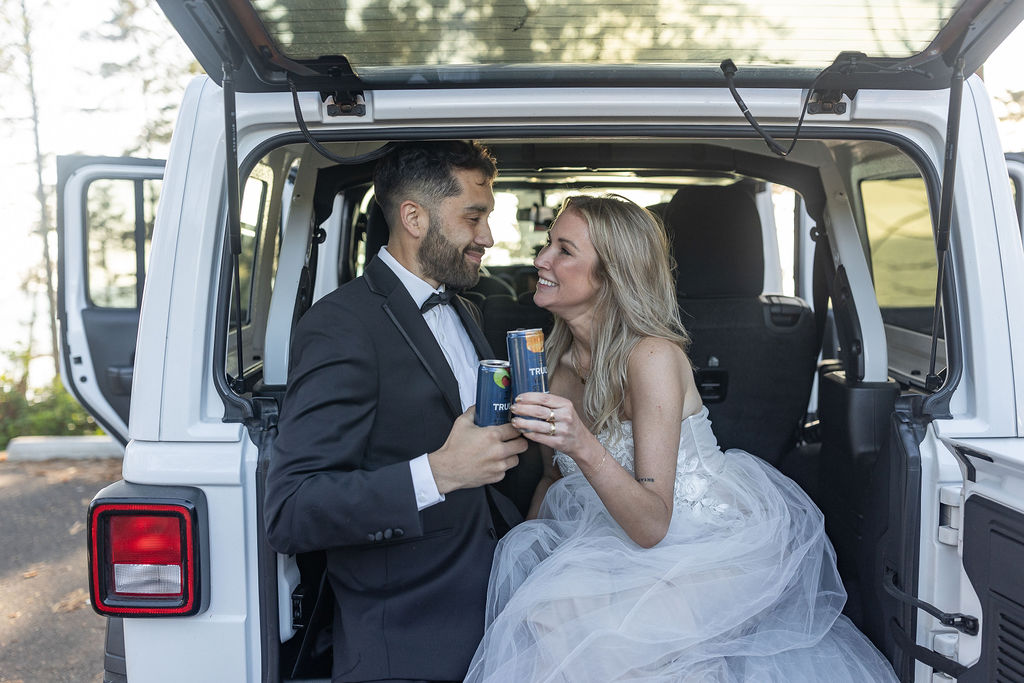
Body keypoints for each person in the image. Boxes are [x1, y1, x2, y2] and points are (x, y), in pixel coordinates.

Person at [464, 194, 898, 681]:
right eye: (548, 244)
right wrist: (528, 567)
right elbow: (549, 480)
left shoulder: (652, 358)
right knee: (543, 617)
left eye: (563, 250)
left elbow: (653, 526)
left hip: (704, 547)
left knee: (604, 644)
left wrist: (581, 442)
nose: (540, 259)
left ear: (612, 274)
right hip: (607, 539)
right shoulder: (552, 366)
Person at [264, 140, 528, 683]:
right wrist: (440, 472)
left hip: (498, 606)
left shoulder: (463, 305)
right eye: (473, 218)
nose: (487, 238)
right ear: (413, 217)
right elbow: (292, 511)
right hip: (407, 636)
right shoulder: (341, 327)